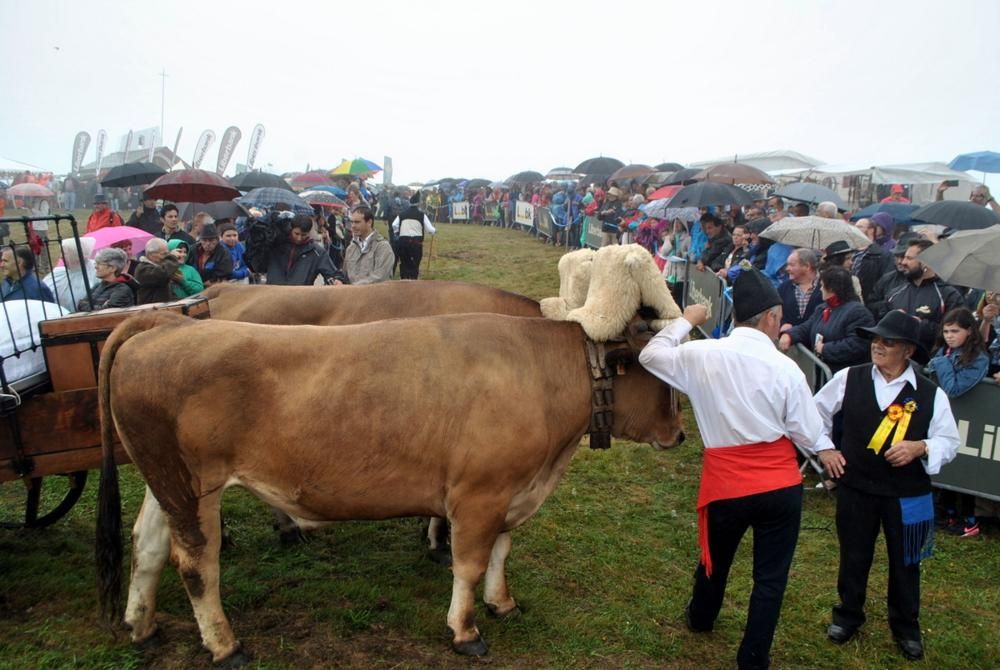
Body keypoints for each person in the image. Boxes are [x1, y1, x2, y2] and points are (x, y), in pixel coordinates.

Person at [638, 267, 823, 670]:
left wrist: (686, 322)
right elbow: (806, 431)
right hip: (778, 485)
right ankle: (753, 655)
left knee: (715, 558)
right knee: (770, 577)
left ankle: (702, 616)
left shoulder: (702, 353)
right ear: (772, 318)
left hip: (728, 484)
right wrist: (825, 449)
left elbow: (650, 354)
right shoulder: (787, 368)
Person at [811, 310, 960, 661]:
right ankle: (848, 615)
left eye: (888, 342)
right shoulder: (850, 378)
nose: (877, 346)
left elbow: (949, 441)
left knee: (907, 560)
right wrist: (826, 449)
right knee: (854, 554)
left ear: (907, 350)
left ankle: (906, 626)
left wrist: (920, 446)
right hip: (857, 487)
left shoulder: (930, 393)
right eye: (875, 339)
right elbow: (813, 412)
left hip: (909, 494)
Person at [927, 308, 988, 539]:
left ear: (969, 331)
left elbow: (954, 388)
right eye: (946, 331)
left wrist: (941, 364)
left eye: (955, 331)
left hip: (969, 421)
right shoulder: (945, 351)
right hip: (945, 419)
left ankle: (968, 519)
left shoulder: (978, 358)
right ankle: (946, 513)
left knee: (966, 471)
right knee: (946, 469)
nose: (949, 336)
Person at [779, 266, 874, 373]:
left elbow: (857, 344)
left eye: (822, 286)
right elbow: (807, 327)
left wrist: (825, 349)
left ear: (832, 289)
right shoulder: (822, 308)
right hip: (824, 374)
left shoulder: (858, 312)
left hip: (846, 376)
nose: (820, 289)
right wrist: (789, 335)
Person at [875, 238, 963, 352]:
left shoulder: (948, 295)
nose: (903, 262)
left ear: (926, 262)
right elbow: (880, 327)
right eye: (904, 257)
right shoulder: (894, 293)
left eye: (909, 258)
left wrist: (919, 325)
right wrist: (894, 319)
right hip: (896, 360)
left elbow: (956, 332)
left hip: (930, 362)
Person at [265, 213, 345, 286]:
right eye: (296, 234)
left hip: (301, 298)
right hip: (274, 295)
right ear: (291, 229)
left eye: (304, 235)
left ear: (309, 233)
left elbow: (331, 272)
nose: (299, 238)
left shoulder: (317, 252)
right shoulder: (276, 244)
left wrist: (336, 280)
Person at [42, 237, 98, 312]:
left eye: (64, 253)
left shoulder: (96, 272)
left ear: (76, 254)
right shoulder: (57, 274)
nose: (61, 256)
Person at [390, 192, 436, 280]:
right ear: (418, 204)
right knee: (415, 263)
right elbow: (430, 229)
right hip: (416, 243)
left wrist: (398, 232)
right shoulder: (422, 215)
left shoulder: (402, 214)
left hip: (403, 242)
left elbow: (394, 225)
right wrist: (434, 231)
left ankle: (404, 279)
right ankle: (413, 280)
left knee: (404, 262)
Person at [343, 205, 394, 285]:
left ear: (369, 222)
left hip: (374, 296)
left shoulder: (383, 247)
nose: (353, 226)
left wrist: (354, 288)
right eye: (351, 222)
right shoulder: (350, 248)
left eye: (357, 222)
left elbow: (380, 277)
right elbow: (345, 276)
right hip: (352, 295)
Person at [777, 248, 822, 326]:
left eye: (792, 265)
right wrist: (783, 324)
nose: (787, 268)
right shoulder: (784, 288)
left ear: (807, 266)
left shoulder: (825, 286)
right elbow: (776, 314)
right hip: (788, 336)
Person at [134, 237, 181, 304]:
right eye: (164, 254)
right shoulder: (142, 269)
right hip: (151, 311)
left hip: (163, 310)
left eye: (167, 254)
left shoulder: (158, 267)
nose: (166, 257)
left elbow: (169, 294)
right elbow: (162, 274)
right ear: (151, 254)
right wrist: (172, 258)